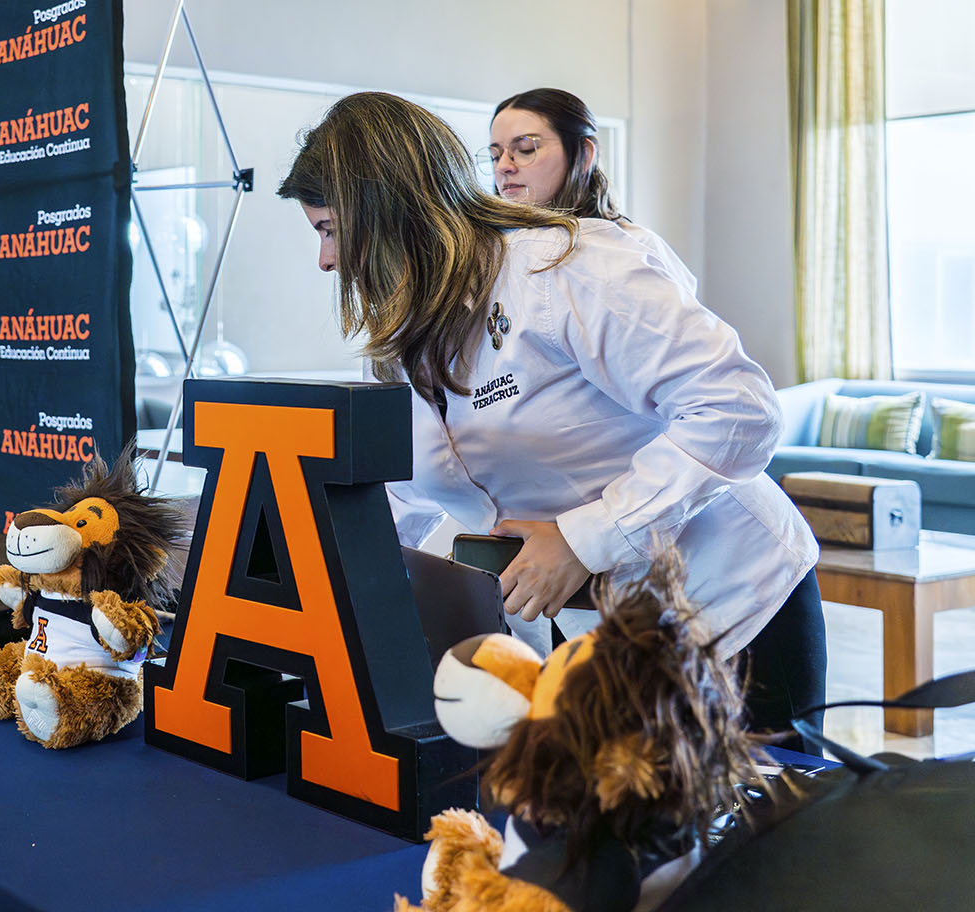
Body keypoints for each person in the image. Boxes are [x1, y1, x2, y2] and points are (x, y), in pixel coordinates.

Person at [277, 91, 825, 742]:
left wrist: (583, 539)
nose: (326, 261)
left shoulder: (569, 267)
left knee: (755, 838)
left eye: (329, 230)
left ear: (387, 211)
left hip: (727, 607)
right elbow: (403, 497)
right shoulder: (401, 339)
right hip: (591, 637)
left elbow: (738, 410)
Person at [486, 86, 696, 294]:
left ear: (584, 155)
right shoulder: (488, 251)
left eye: (525, 149)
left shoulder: (637, 249)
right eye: (495, 155)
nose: (503, 166)